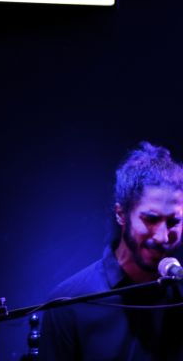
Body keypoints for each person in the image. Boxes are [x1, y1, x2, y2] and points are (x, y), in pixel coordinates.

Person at [39, 142, 183, 360]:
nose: (163, 236)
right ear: (121, 214)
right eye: (151, 219)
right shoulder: (69, 302)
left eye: (174, 221)